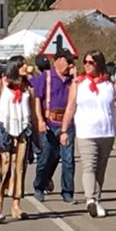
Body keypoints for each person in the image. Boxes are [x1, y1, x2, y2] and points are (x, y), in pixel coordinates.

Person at [60, 49, 116, 218]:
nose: (87, 65)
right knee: (89, 166)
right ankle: (90, 199)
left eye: (91, 62)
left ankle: (97, 199)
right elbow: (70, 107)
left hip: (106, 132)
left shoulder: (110, 84)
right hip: (86, 131)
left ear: (99, 64)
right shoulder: (78, 84)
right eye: (85, 62)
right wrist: (64, 130)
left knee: (100, 169)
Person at [0, 58, 37, 221]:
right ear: (14, 68)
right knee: (4, 168)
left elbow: (33, 110)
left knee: (20, 168)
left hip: (23, 132)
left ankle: (16, 205)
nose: (26, 67)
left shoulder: (28, 87)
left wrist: (37, 134)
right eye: (22, 64)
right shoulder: (1, 84)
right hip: (5, 131)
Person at [31, 50, 76, 203]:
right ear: (58, 60)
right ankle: (39, 186)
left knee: (68, 160)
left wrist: (75, 77)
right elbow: (37, 99)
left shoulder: (72, 81)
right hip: (50, 123)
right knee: (46, 158)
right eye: (68, 61)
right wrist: (40, 120)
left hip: (67, 124)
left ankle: (68, 192)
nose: (70, 65)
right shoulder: (47, 77)